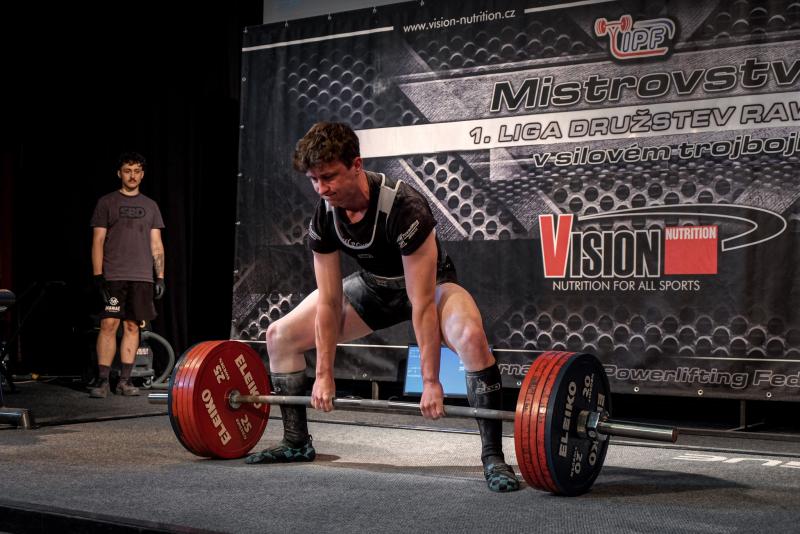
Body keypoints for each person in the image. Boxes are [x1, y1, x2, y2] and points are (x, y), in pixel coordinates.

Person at [245, 122, 519, 492]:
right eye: (313, 180)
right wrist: (324, 374)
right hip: (375, 288)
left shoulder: (404, 207)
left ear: (356, 165)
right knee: (280, 336)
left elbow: (422, 304)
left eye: (329, 177)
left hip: (432, 288)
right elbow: (329, 300)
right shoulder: (326, 213)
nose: (321, 189)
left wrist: (431, 382)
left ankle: (493, 457)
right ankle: (296, 442)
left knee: (470, 337)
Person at [88, 152, 165, 398]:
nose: (132, 175)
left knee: (132, 326)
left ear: (142, 175)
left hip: (142, 276)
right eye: (127, 171)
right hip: (114, 275)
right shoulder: (107, 202)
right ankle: (102, 380)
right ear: (119, 173)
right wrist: (98, 275)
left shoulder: (151, 206)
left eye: (137, 171)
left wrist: (160, 276)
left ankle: (125, 380)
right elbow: (98, 240)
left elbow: (156, 244)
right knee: (109, 324)